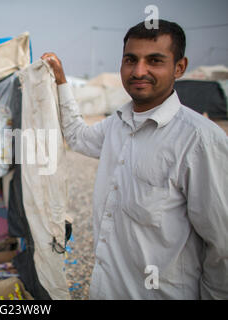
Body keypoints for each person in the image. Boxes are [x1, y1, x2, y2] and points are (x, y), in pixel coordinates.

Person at [42, 19, 228, 299]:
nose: (139, 71)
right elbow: (79, 137)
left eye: (154, 60)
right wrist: (61, 82)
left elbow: (222, 246)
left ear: (179, 67)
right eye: (131, 59)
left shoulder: (200, 141)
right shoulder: (117, 123)